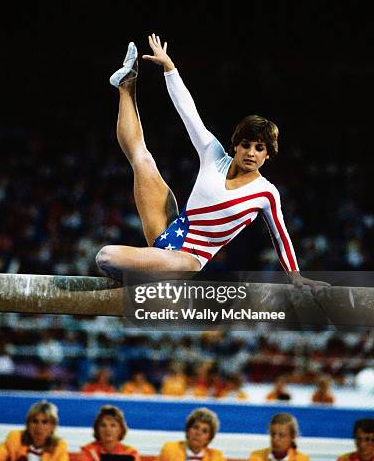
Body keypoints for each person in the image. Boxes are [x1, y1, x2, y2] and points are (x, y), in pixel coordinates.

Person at [96, 35, 326, 292]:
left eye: (259, 148)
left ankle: (151, 281)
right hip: (171, 229)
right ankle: (127, 84)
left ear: (267, 155)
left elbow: (280, 236)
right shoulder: (213, 154)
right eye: (246, 145)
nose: (251, 153)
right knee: (142, 158)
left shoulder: (266, 193)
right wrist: (170, 68)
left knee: (106, 256)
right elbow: (188, 111)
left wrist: (296, 277)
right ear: (236, 145)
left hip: (187, 260)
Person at [152, 407, 235, 461]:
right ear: (187, 431)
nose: (198, 433)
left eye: (204, 431)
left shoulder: (216, 456)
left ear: (209, 438)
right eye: (195, 427)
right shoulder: (170, 449)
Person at [246, 412, 313, 461]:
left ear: (292, 437)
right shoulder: (255, 457)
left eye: (281, 435)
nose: (275, 439)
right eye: (273, 434)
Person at [75, 405, 141, 461]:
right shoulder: (87, 451)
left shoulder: (130, 453)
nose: (108, 430)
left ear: (121, 429)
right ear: (97, 429)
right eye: (103, 425)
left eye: (113, 425)